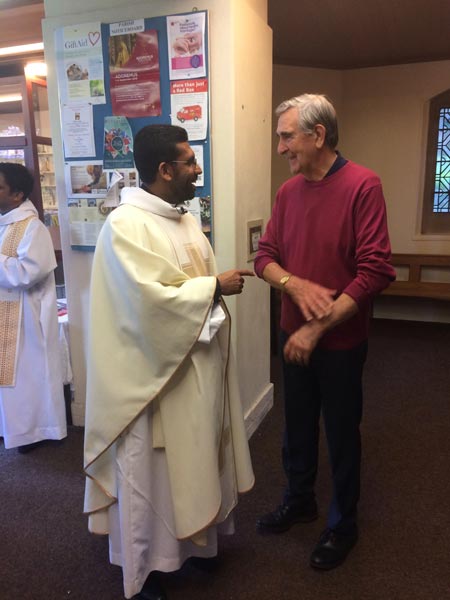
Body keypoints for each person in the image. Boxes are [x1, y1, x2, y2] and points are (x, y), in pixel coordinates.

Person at [83, 124, 255, 600]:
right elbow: (144, 303)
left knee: (196, 460)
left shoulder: (183, 220)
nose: (197, 169)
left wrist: (208, 291)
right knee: (152, 476)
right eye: (189, 161)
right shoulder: (126, 226)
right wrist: (214, 287)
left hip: (194, 370)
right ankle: (146, 568)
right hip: (150, 384)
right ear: (164, 169)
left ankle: (195, 547)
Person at [254, 94, 395, 570]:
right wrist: (293, 285)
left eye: (286, 136)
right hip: (291, 334)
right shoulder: (287, 192)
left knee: (340, 431)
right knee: (296, 425)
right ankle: (300, 500)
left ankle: (342, 524)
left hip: (339, 342)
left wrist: (316, 328)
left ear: (318, 135)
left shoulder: (363, 185)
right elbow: (264, 257)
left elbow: (375, 271)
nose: (280, 148)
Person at [0, 162, 67, 453]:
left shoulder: (33, 227)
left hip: (26, 317)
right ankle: (8, 428)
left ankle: (33, 432)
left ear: (17, 194)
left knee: (26, 378)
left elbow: (27, 273)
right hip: (5, 312)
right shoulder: (4, 222)